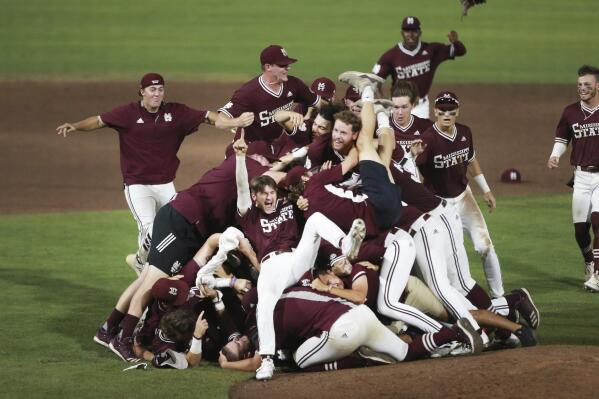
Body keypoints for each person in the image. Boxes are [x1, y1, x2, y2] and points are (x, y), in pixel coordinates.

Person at [55, 73, 243, 274]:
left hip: (165, 185)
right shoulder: (127, 113)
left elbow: (207, 116)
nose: (157, 94)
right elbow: (99, 120)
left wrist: (232, 122)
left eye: (160, 89)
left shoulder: (176, 113)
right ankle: (147, 269)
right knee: (150, 230)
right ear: (142, 91)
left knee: (179, 224)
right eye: (152, 90)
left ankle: (141, 261)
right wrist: (75, 126)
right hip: (137, 185)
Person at [232, 131, 367, 380]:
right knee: (265, 305)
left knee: (315, 220)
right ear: (255, 198)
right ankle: (267, 361)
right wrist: (240, 158)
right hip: (271, 265)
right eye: (263, 193)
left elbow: (306, 187)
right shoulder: (250, 217)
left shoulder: (289, 205)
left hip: (297, 258)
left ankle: (346, 245)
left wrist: (303, 200)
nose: (269, 196)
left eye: (271, 191)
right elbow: (242, 188)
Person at [415, 91, 505, 298]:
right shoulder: (427, 140)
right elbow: (416, 172)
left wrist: (486, 189)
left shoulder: (465, 132)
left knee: (485, 247)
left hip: (465, 198)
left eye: (450, 110)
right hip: (440, 206)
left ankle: (499, 297)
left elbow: (471, 160)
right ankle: (462, 300)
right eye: (442, 110)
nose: (446, 114)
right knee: (452, 257)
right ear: (435, 111)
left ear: (458, 111)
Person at [547, 65, 599, 291]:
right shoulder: (570, 112)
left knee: (598, 223)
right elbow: (562, 138)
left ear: (598, 86)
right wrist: (554, 156)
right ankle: (589, 260)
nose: (583, 88)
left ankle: (597, 274)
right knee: (580, 231)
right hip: (581, 178)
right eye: (579, 85)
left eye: (588, 84)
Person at [217, 44, 323, 152]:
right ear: (268, 67)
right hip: (247, 149)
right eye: (282, 65)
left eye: (287, 64)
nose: (287, 68)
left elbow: (319, 103)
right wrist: (237, 122)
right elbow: (219, 121)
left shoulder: (294, 84)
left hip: (273, 148)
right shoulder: (248, 93)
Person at [371, 16, 466, 118]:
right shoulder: (391, 56)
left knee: (421, 133)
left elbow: (460, 51)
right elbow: (374, 80)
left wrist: (455, 42)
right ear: (402, 33)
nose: (410, 35)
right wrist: (383, 101)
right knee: (396, 134)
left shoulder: (431, 50)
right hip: (399, 107)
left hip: (421, 107)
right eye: (407, 31)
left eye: (414, 31)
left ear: (420, 32)